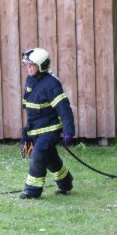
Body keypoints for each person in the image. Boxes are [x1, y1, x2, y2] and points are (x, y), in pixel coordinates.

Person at [19, 48, 75, 199]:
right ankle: (66, 182)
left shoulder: (51, 84)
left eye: (32, 65)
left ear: (41, 65)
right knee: (50, 159)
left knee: (37, 156)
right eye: (27, 65)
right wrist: (27, 134)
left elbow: (64, 108)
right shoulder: (31, 79)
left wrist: (69, 131)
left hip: (49, 130)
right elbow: (31, 109)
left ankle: (32, 191)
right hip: (35, 130)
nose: (28, 68)